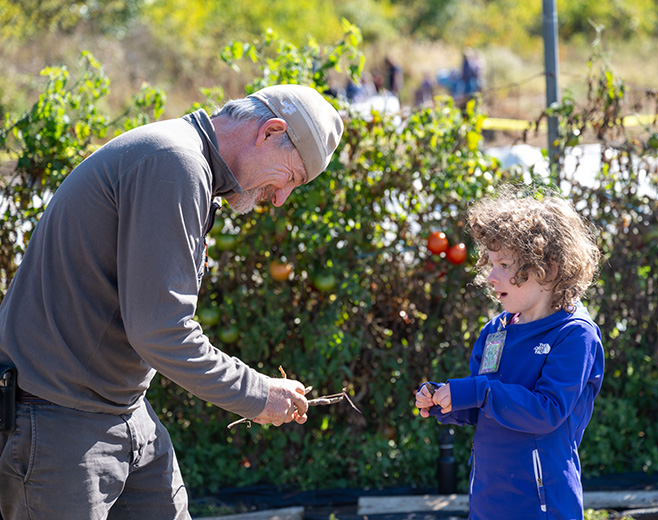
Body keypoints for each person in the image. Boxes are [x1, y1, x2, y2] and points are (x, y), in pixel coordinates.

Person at [0, 84, 344, 520]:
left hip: (121, 410)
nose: (280, 198)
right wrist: (258, 394)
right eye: (290, 178)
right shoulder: (174, 163)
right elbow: (161, 331)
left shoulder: (187, 163)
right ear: (270, 131)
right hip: (60, 424)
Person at [415, 186, 604, 520]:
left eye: (504, 264)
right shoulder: (496, 331)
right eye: (490, 263)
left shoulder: (574, 334)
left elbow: (546, 412)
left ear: (550, 269)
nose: (490, 276)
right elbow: (483, 403)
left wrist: (476, 391)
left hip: (543, 507)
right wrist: (446, 401)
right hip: (488, 503)